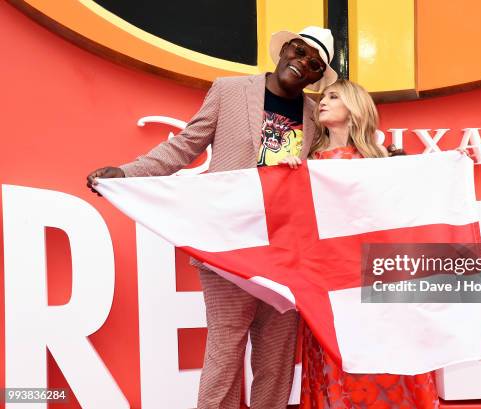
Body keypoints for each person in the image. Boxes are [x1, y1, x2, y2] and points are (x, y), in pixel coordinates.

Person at [86, 26, 338, 409]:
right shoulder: (230, 91)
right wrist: (126, 173)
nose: (302, 63)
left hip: (286, 251)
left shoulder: (313, 116)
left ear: (318, 76)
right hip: (228, 244)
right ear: (285, 48)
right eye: (299, 51)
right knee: (226, 348)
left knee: (277, 357)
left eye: (314, 64)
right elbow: (186, 146)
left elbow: (331, 171)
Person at [280, 79, 440, 409]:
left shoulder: (385, 163)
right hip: (328, 287)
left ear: (354, 110)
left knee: (386, 362)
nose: (322, 102)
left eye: (333, 96)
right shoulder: (307, 162)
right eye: (323, 96)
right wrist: (289, 175)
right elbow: (292, 223)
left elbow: (410, 217)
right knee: (336, 365)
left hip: (377, 284)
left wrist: (450, 166)